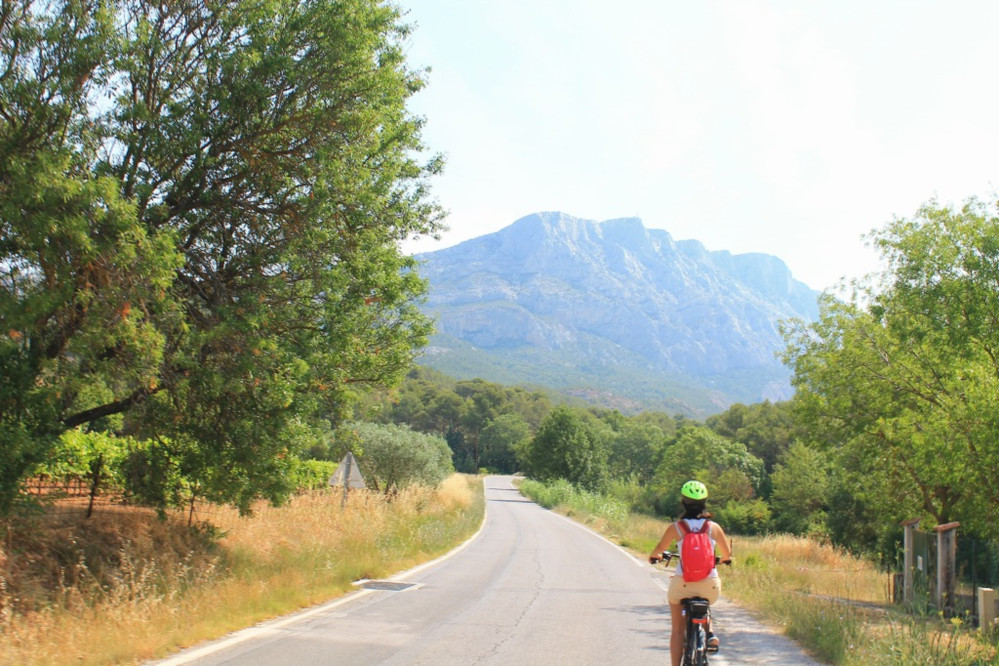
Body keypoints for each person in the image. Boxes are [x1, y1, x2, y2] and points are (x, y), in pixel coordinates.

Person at [649, 480, 732, 666]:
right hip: (709, 585)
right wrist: (725, 559)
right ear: (704, 503)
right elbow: (727, 554)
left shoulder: (676, 528)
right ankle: (708, 632)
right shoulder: (714, 527)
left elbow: (659, 550)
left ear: (683, 502)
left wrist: (654, 557)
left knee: (678, 630)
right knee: (706, 601)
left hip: (683, 584)